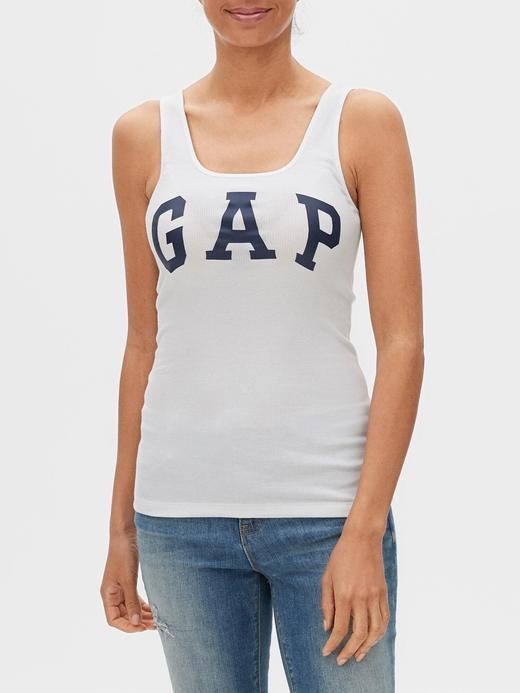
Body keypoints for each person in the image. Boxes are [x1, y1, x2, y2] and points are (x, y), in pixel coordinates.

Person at [100, 2, 424, 691]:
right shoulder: (142, 135)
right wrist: (121, 529)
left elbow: (403, 342)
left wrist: (365, 528)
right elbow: (142, 342)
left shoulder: (362, 122)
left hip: (329, 514)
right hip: (179, 522)